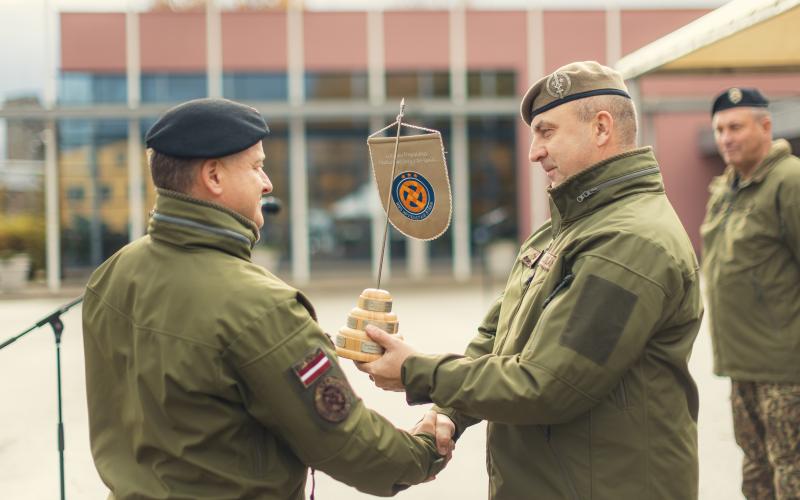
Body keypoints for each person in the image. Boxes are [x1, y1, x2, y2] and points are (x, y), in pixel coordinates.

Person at [358, 61, 703, 499]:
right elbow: (495, 341)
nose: (533, 152)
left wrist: (415, 371)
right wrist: (448, 413)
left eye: (547, 132)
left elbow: (547, 386)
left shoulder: (630, 241)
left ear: (600, 128)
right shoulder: (566, 228)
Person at [81, 97, 447, 500]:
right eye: (256, 166)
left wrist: (306, 343)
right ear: (214, 176)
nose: (268, 182)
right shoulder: (260, 307)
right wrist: (426, 448)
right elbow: (348, 446)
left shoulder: (113, 273)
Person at [701, 87, 800, 499]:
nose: (726, 137)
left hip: (785, 369)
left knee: (790, 474)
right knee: (756, 473)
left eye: (736, 126)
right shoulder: (727, 189)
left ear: (765, 126)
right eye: (720, 129)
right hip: (742, 366)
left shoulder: (789, 180)